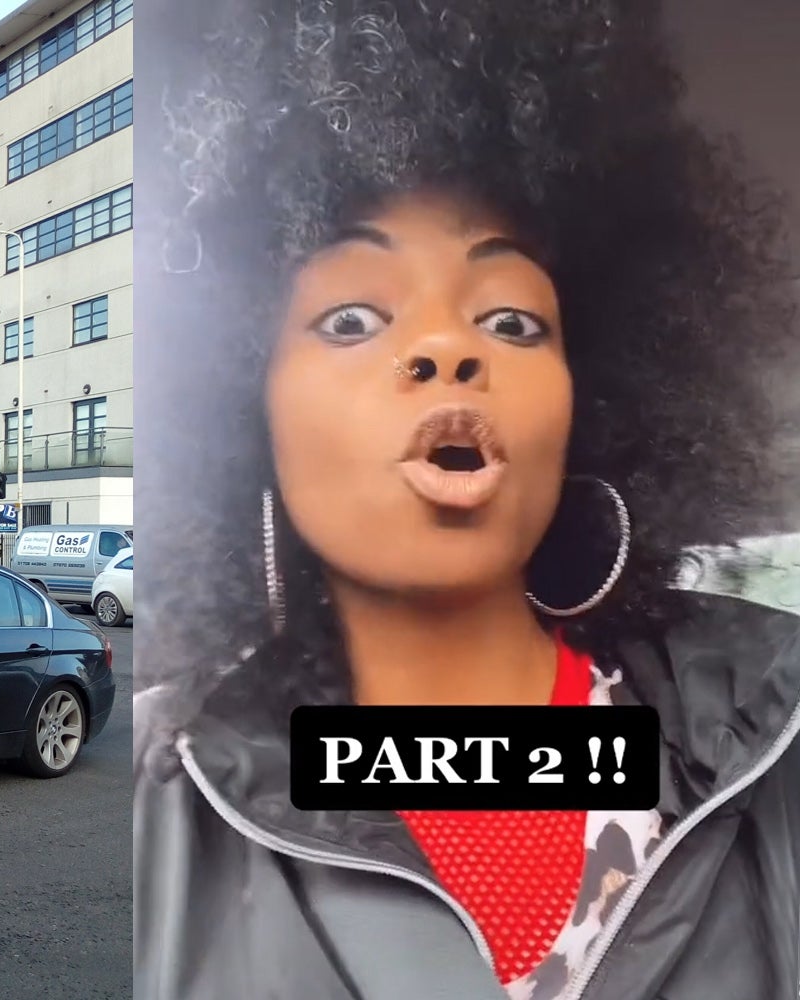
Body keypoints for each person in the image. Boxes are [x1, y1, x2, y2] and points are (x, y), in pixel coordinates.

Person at [130, 2, 800, 998]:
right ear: (241, 412)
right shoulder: (162, 803)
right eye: (351, 316)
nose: (449, 349)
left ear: (592, 398)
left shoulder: (772, 732)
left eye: (512, 321)